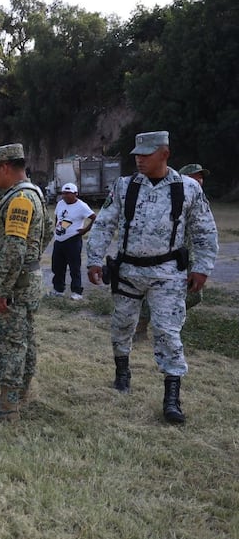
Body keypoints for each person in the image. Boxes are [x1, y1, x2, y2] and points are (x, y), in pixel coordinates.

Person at [86, 131, 218, 424]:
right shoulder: (124, 186)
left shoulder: (188, 189)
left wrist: (202, 268)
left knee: (167, 331)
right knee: (122, 326)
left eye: (146, 153)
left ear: (165, 154)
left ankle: (172, 398)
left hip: (168, 274)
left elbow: (204, 231)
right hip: (128, 272)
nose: (139, 158)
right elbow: (104, 224)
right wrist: (94, 259)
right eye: (137, 153)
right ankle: (122, 370)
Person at [0, 144, 49, 421]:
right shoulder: (36, 194)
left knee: (7, 343)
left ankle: (9, 408)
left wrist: (2, 290)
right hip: (27, 281)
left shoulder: (19, 199)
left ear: (5, 167)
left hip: (15, 286)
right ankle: (19, 394)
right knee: (24, 340)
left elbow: (14, 249)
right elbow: (48, 233)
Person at [135, 162, 211, 340]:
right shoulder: (170, 199)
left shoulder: (199, 200)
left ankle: (162, 321)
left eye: (201, 177)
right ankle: (142, 326)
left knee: (194, 296)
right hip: (169, 257)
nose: (199, 180)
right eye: (195, 176)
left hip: (190, 256)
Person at [49, 182, 96, 300]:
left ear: (75, 194)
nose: (65, 196)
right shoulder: (60, 203)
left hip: (73, 240)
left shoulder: (82, 206)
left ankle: (77, 292)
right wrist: (56, 227)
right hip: (59, 240)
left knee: (74, 267)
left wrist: (85, 230)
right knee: (57, 266)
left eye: (68, 194)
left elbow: (95, 218)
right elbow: (57, 217)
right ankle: (58, 289)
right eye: (63, 193)